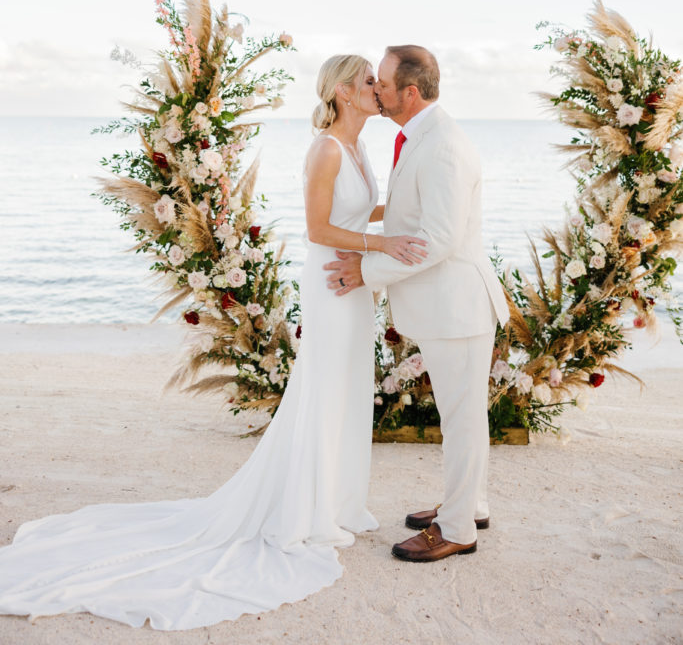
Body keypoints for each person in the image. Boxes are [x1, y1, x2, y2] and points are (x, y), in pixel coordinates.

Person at [0, 54, 426, 631]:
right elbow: (317, 228)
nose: (379, 89)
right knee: (324, 389)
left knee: (349, 390)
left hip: (355, 287)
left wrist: (398, 217)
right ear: (346, 93)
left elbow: (356, 208)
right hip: (331, 282)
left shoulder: (359, 147)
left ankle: (340, 500)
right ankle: (310, 509)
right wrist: (383, 246)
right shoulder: (325, 148)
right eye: (369, 82)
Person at [325, 45, 510, 562]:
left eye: (382, 82)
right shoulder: (421, 137)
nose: (376, 89)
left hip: (458, 306)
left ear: (409, 92)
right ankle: (468, 505)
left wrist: (367, 271)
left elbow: (439, 239)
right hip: (445, 306)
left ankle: (457, 529)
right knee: (462, 415)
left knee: (462, 418)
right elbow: (411, 218)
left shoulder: (443, 145)